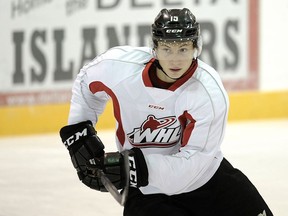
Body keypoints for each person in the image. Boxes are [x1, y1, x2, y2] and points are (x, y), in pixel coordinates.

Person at [60, 8, 273, 216]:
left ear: (195, 47)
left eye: (183, 48)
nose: (175, 59)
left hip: (207, 182)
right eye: (166, 48)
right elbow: (86, 81)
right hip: (146, 192)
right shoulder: (119, 68)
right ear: (154, 48)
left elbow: (194, 162)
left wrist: (132, 169)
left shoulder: (208, 92)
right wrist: (79, 133)